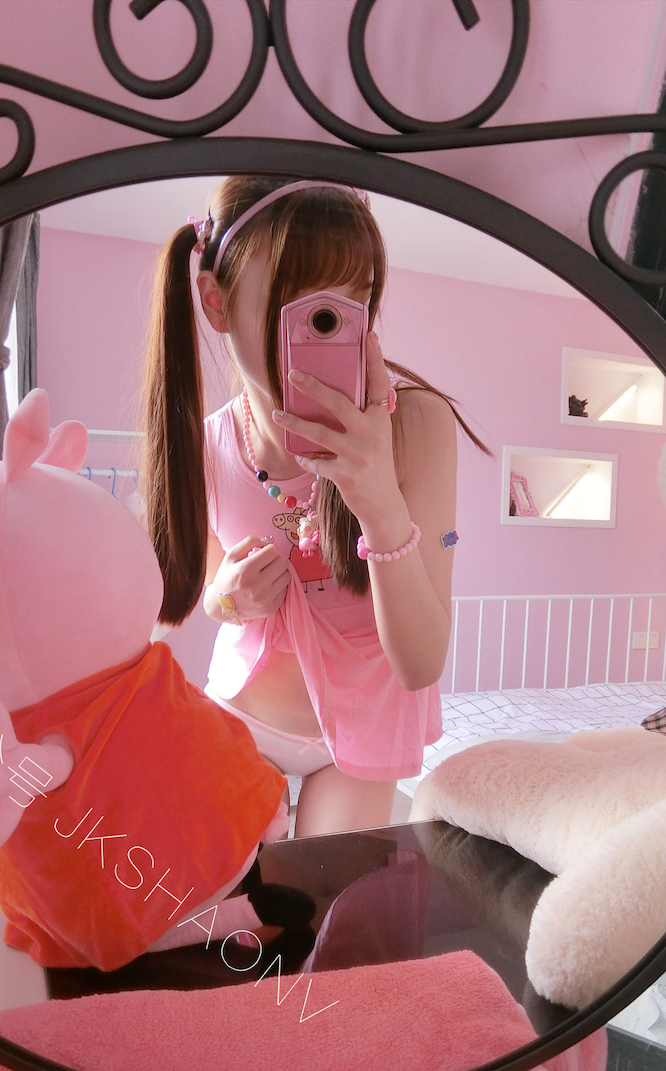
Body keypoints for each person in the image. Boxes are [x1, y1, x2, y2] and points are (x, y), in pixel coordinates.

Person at [141, 176, 488, 836]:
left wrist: (378, 500)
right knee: (216, 890)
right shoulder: (208, 444)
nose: (326, 330)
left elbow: (421, 664)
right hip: (242, 715)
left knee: (325, 898)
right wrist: (228, 598)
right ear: (216, 303)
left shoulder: (416, 425)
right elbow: (201, 600)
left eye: (352, 303)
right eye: (300, 306)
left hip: (362, 737)